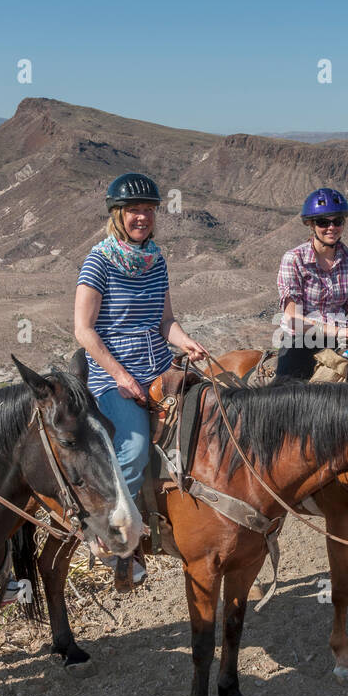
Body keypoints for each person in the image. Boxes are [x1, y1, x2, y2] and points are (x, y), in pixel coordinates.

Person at [73, 172, 208, 582]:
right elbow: (83, 329)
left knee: (211, 413)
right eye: (134, 210)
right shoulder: (98, 261)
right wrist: (119, 375)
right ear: (117, 214)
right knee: (131, 451)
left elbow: (165, 321)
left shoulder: (156, 259)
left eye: (148, 210)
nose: (142, 217)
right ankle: (117, 543)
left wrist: (186, 342)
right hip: (112, 377)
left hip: (158, 368)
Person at [273, 187, 348, 382]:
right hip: (300, 340)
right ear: (311, 225)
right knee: (285, 394)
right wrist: (338, 330)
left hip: (339, 342)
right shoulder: (294, 259)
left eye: (337, 221)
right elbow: (293, 319)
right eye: (324, 222)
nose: (331, 228)